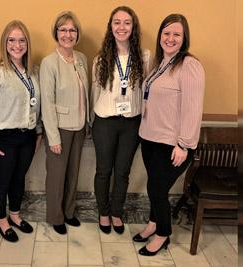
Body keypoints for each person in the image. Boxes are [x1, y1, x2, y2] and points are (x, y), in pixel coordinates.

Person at [133, 14, 205, 256]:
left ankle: (163, 234)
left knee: (156, 188)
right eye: (166, 33)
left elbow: (193, 109)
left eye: (176, 34)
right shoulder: (160, 63)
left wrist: (183, 145)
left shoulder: (189, 65)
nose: (170, 38)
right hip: (150, 139)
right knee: (156, 186)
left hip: (173, 144)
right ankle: (153, 223)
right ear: (160, 36)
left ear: (184, 39)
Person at [0, 20, 42, 242]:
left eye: (22, 40)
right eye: (12, 40)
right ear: (5, 43)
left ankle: (15, 215)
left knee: (19, 180)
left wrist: (39, 134)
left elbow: (37, 105)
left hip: (28, 136)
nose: (17, 45)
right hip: (3, 139)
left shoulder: (34, 71)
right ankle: (1, 221)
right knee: (2, 182)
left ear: (27, 44)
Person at [91, 6, 150, 235]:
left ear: (133, 27)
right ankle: (103, 213)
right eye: (117, 22)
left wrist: (146, 120)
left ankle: (116, 212)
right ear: (111, 27)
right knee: (104, 170)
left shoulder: (144, 57)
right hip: (105, 121)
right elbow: (95, 92)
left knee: (123, 171)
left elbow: (146, 92)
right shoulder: (100, 59)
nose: (121, 27)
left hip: (132, 123)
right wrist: (91, 121)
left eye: (126, 22)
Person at [40, 11, 89, 235]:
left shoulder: (82, 59)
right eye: (63, 30)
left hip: (79, 127)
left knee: (73, 173)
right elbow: (47, 103)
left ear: (77, 34)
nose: (67, 34)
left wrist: (87, 123)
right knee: (57, 177)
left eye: (72, 30)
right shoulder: (49, 63)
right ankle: (56, 216)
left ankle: (69, 212)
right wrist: (53, 137)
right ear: (56, 33)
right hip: (59, 128)